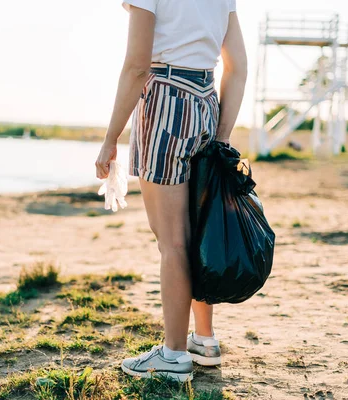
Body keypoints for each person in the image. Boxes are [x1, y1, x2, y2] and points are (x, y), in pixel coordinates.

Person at [95, 0, 247, 382]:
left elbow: (137, 67)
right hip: (206, 102)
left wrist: (110, 137)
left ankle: (173, 355)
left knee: (172, 242)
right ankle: (204, 340)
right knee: (197, 230)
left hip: (164, 100)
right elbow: (238, 67)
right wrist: (223, 136)